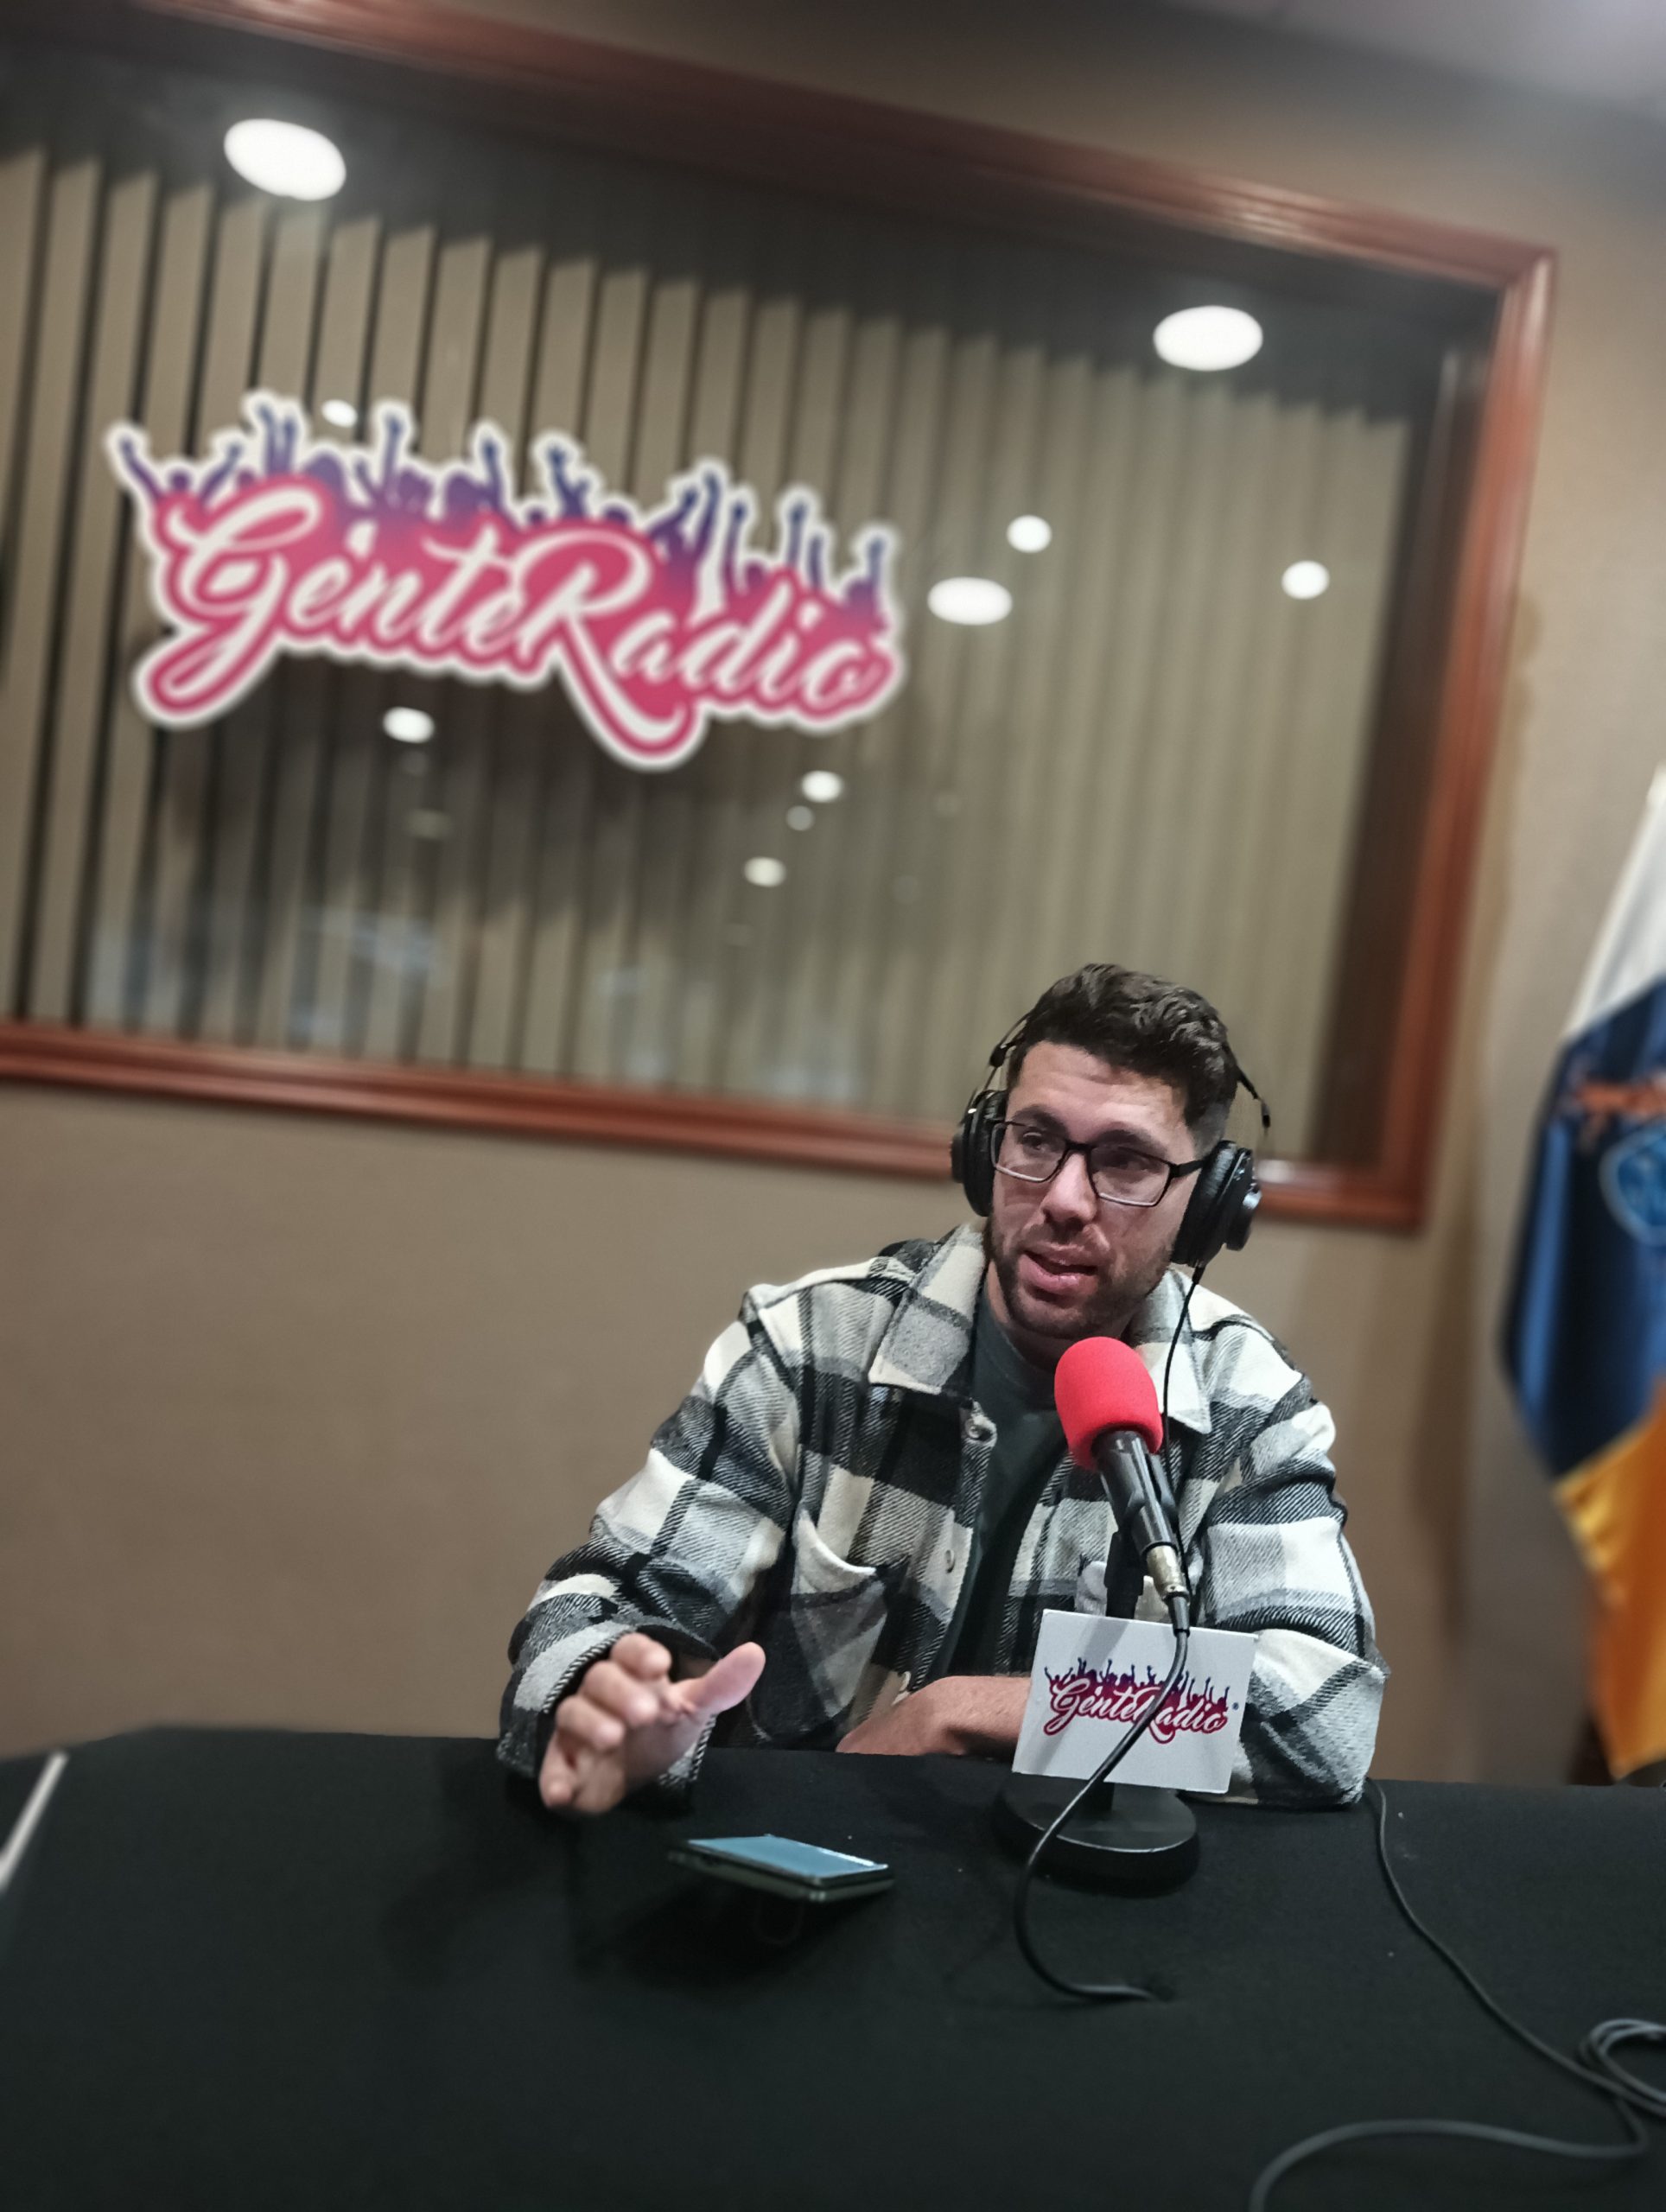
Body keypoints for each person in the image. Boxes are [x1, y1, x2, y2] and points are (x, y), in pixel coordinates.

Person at [499, 963, 1386, 1814]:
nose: (1065, 1199)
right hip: (794, 1867)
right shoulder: (812, 1345)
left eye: (1124, 1162)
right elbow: (597, 1606)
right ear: (984, 1149)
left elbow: (1325, 1716)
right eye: (1036, 1140)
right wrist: (602, 1695)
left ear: (1206, 1204)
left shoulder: (1244, 1405)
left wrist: (963, 1710)